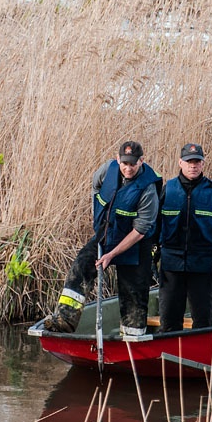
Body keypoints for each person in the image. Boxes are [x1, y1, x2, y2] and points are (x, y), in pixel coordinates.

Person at [47, 141, 162, 337]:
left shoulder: (148, 190)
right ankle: (65, 320)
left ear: (141, 161)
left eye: (133, 164)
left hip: (135, 245)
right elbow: (95, 189)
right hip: (107, 235)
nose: (128, 168)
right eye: (124, 163)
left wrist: (111, 255)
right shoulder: (105, 171)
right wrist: (101, 225)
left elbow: (140, 231)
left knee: (133, 296)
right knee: (82, 264)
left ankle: (133, 338)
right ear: (117, 160)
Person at [157, 143, 212, 332]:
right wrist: (152, 256)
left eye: (197, 162)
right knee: (169, 321)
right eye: (189, 162)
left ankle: (203, 356)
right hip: (171, 266)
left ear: (203, 164)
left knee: (204, 321)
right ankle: (170, 356)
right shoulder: (167, 190)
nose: (193, 166)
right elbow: (154, 227)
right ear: (180, 163)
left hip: (202, 265)